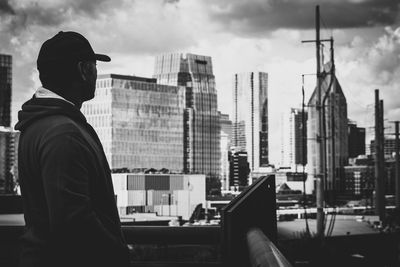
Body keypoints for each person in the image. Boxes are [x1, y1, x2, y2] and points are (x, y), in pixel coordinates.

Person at [15, 31, 130, 267]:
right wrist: (120, 254)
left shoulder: (39, 125)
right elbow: (74, 221)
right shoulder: (63, 133)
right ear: (83, 70)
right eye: (94, 66)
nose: (96, 73)